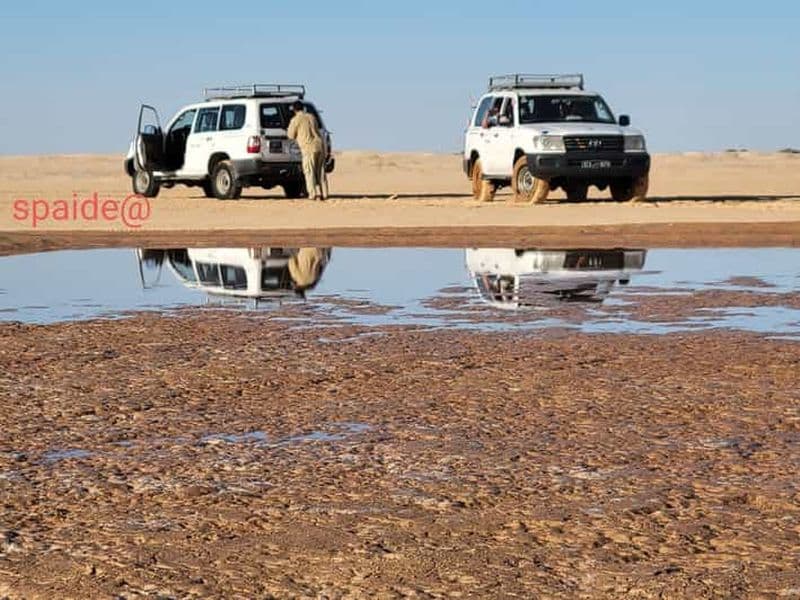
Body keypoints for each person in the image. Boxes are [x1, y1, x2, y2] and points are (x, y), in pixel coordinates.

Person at [287, 101, 326, 200]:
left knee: (309, 171)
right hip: (319, 146)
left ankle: (313, 194)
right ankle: (324, 193)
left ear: (294, 110)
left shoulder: (296, 120)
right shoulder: (311, 117)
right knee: (320, 172)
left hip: (308, 148)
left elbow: (290, 135)